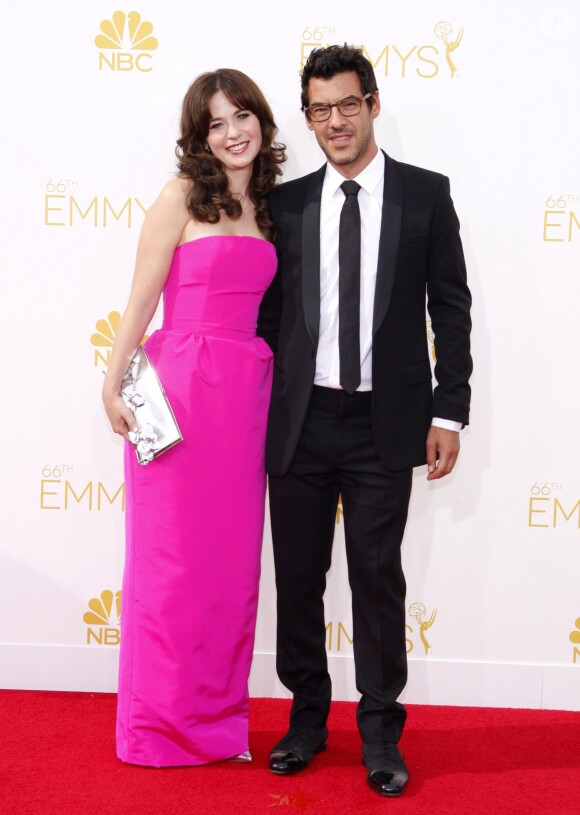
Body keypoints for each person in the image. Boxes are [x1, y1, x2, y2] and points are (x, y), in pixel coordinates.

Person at [257, 45, 472, 797]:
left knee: (377, 578)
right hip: (302, 421)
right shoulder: (286, 205)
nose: (335, 121)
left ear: (373, 104)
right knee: (299, 579)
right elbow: (270, 318)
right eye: (320, 109)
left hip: (388, 421)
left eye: (348, 104)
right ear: (309, 117)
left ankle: (381, 732)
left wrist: (450, 409)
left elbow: (450, 306)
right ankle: (307, 720)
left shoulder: (424, 195)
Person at [102, 69, 285, 767]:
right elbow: (141, 299)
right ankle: (155, 728)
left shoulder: (270, 208)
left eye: (242, 116)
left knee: (230, 569)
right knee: (169, 565)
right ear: (199, 136)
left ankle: (216, 726)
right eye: (216, 122)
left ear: (262, 124)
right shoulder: (179, 196)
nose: (233, 132)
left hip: (243, 396)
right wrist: (113, 380)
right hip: (175, 392)